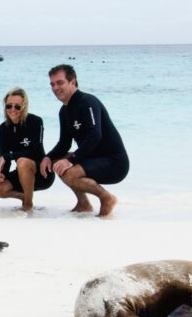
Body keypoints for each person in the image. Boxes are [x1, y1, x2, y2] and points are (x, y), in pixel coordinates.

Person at [40, 64, 129, 217]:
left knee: (69, 172)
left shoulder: (88, 101)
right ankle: (83, 203)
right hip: (93, 159)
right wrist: (48, 157)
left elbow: (95, 135)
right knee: (58, 162)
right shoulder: (64, 111)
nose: (55, 88)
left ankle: (106, 198)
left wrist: (71, 161)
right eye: (52, 84)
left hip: (114, 162)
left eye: (60, 82)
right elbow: (64, 143)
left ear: (73, 82)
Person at [0, 87, 55, 211]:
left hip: (42, 173)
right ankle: (24, 197)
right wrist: (1, 175)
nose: (12, 110)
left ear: (24, 107)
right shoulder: (3, 128)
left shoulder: (35, 121)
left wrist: (9, 156)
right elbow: (4, 157)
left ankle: (28, 205)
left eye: (17, 106)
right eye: (9, 106)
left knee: (22, 161)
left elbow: (35, 150)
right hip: (22, 174)